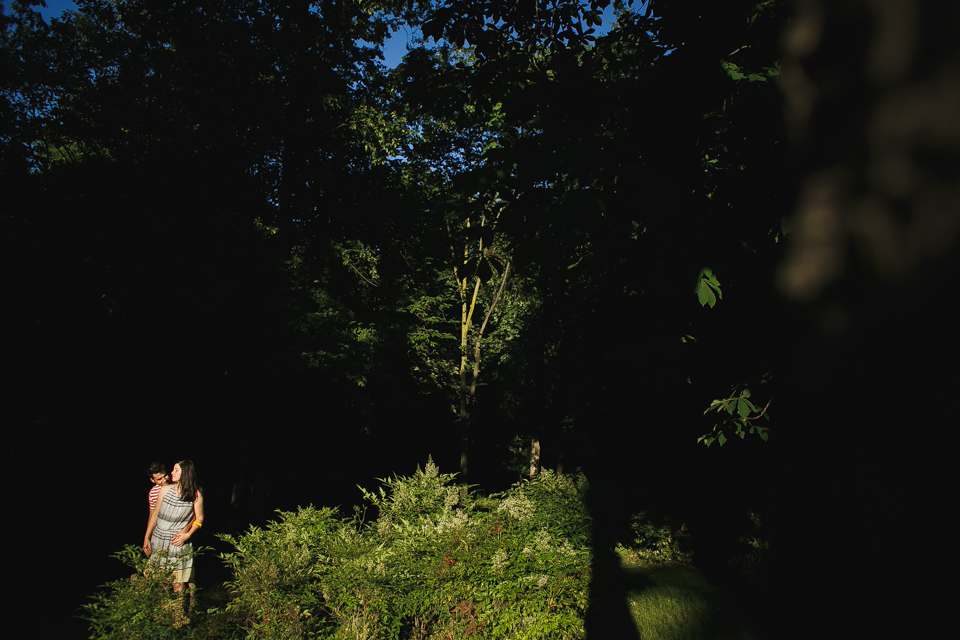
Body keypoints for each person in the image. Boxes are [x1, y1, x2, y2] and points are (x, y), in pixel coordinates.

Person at [143, 459, 205, 592]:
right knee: (162, 581)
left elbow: (199, 517)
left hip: (178, 541)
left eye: (176, 470)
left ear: (185, 473)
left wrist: (187, 534)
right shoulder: (163, 490)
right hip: (159, 539)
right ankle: (166, 608)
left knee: (179, 582)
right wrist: (147, 537)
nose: (171, 473)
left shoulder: (195, 494)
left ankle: (182, 610)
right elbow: (154, 515)